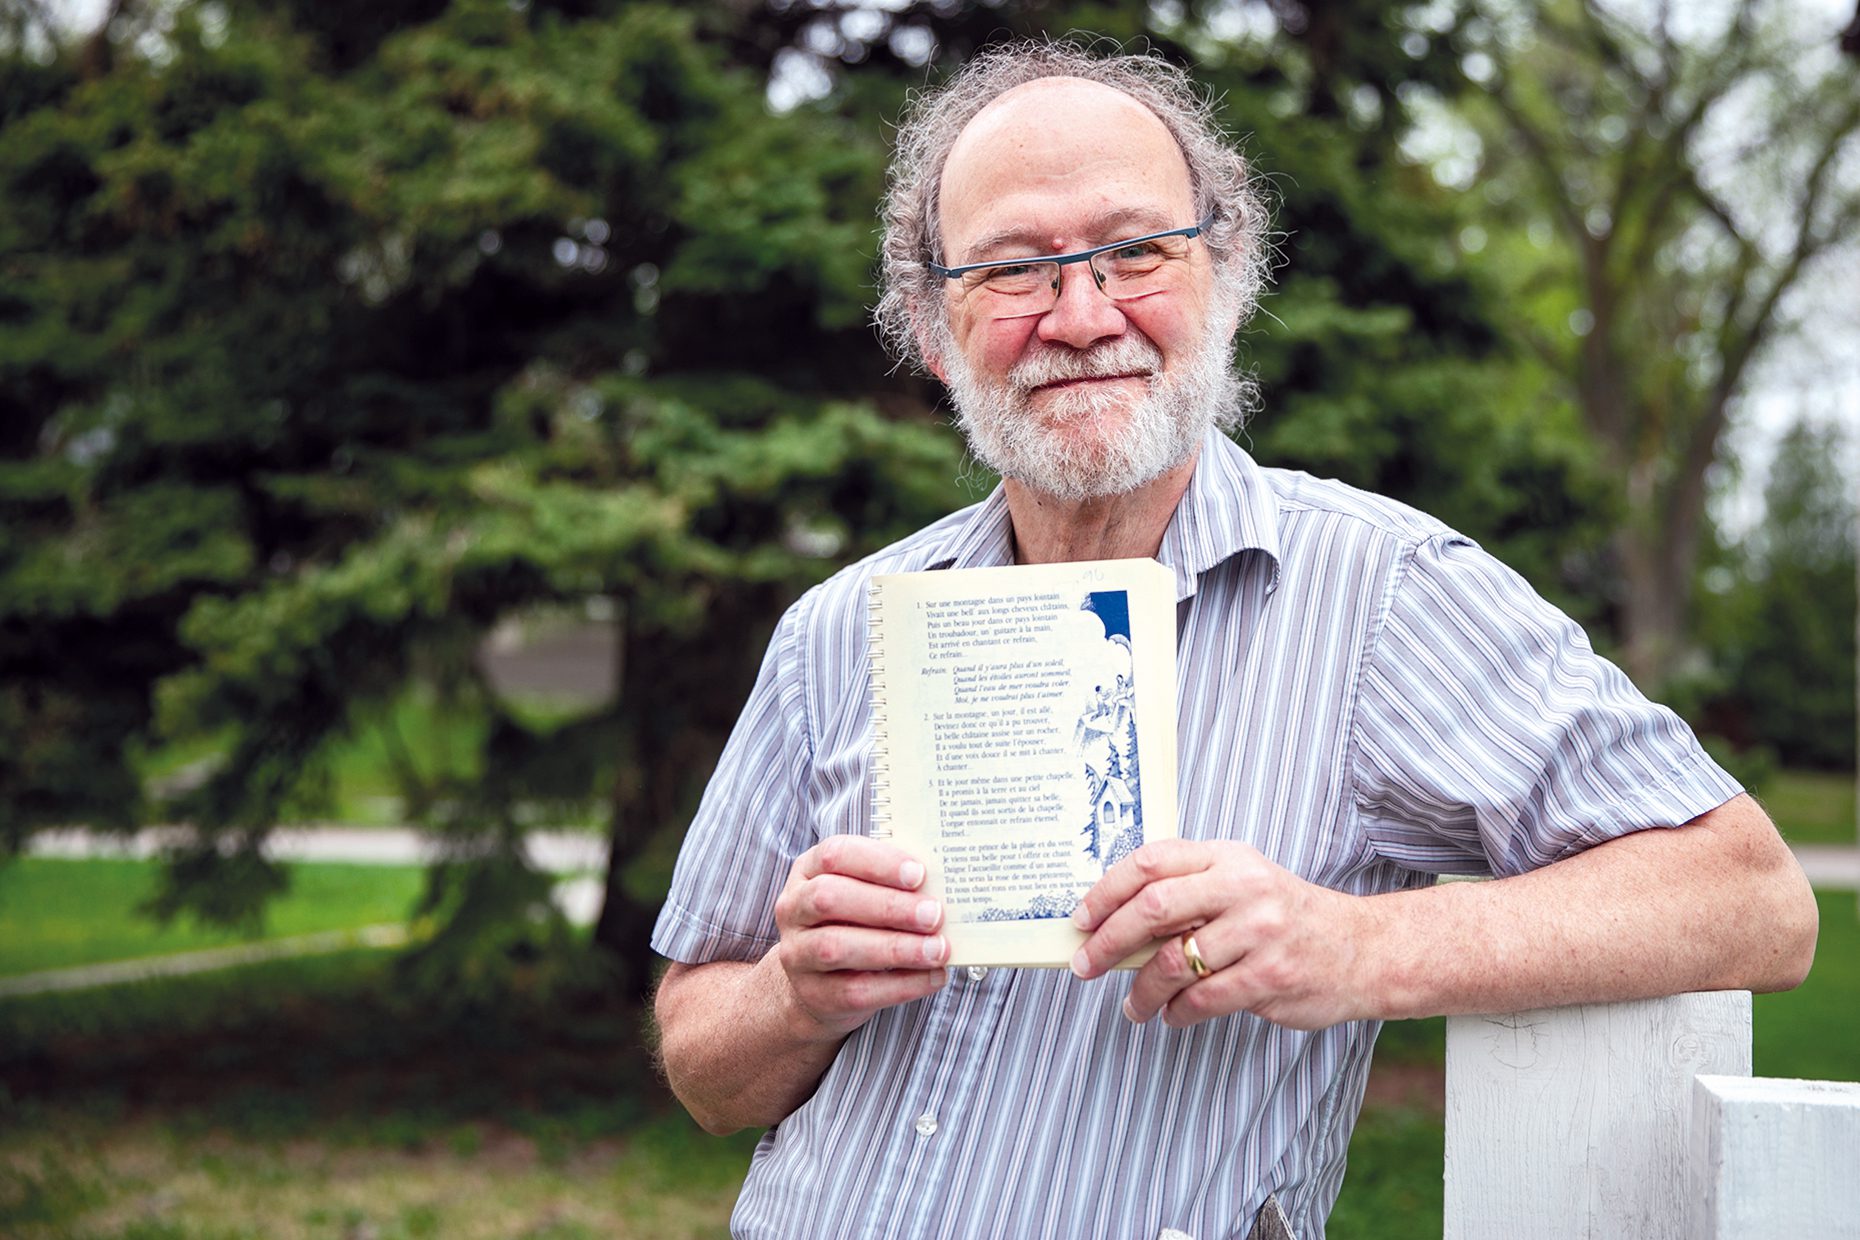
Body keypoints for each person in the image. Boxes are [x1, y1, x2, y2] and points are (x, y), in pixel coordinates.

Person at [650, 42, 1818, 1240]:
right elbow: (701, 1063)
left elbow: (1753, 897)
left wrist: (1358, 944)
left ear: (1228, 277)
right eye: (1014, 269)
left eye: (1135, 251)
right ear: (933, 328)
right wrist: (796, 993)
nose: (1082, 314)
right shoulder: (837, 632)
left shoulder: (1384, 593)